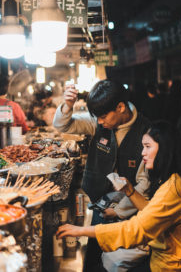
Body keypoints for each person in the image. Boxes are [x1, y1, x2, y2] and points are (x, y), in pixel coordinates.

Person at [57, 121, 181, 272]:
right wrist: (129, 190)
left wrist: (80, 230)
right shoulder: (176, 179)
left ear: (165, 148)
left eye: (148, 146)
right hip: (164, 258)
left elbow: (136, 229)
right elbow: (153, 213)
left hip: (172, 266)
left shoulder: (176, 187)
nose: (143, 153)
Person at [53, 80, 151, 272]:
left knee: (114, 258)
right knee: (91, 255)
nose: (99, 121)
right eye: (96, 117)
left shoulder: (146, 132)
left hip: (128, 212)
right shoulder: (97, 122)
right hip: (95, 202)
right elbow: (63, 126)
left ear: (121, 107)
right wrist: (67, 106)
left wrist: (119, 211)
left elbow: (144, 182)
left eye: (104, 116)